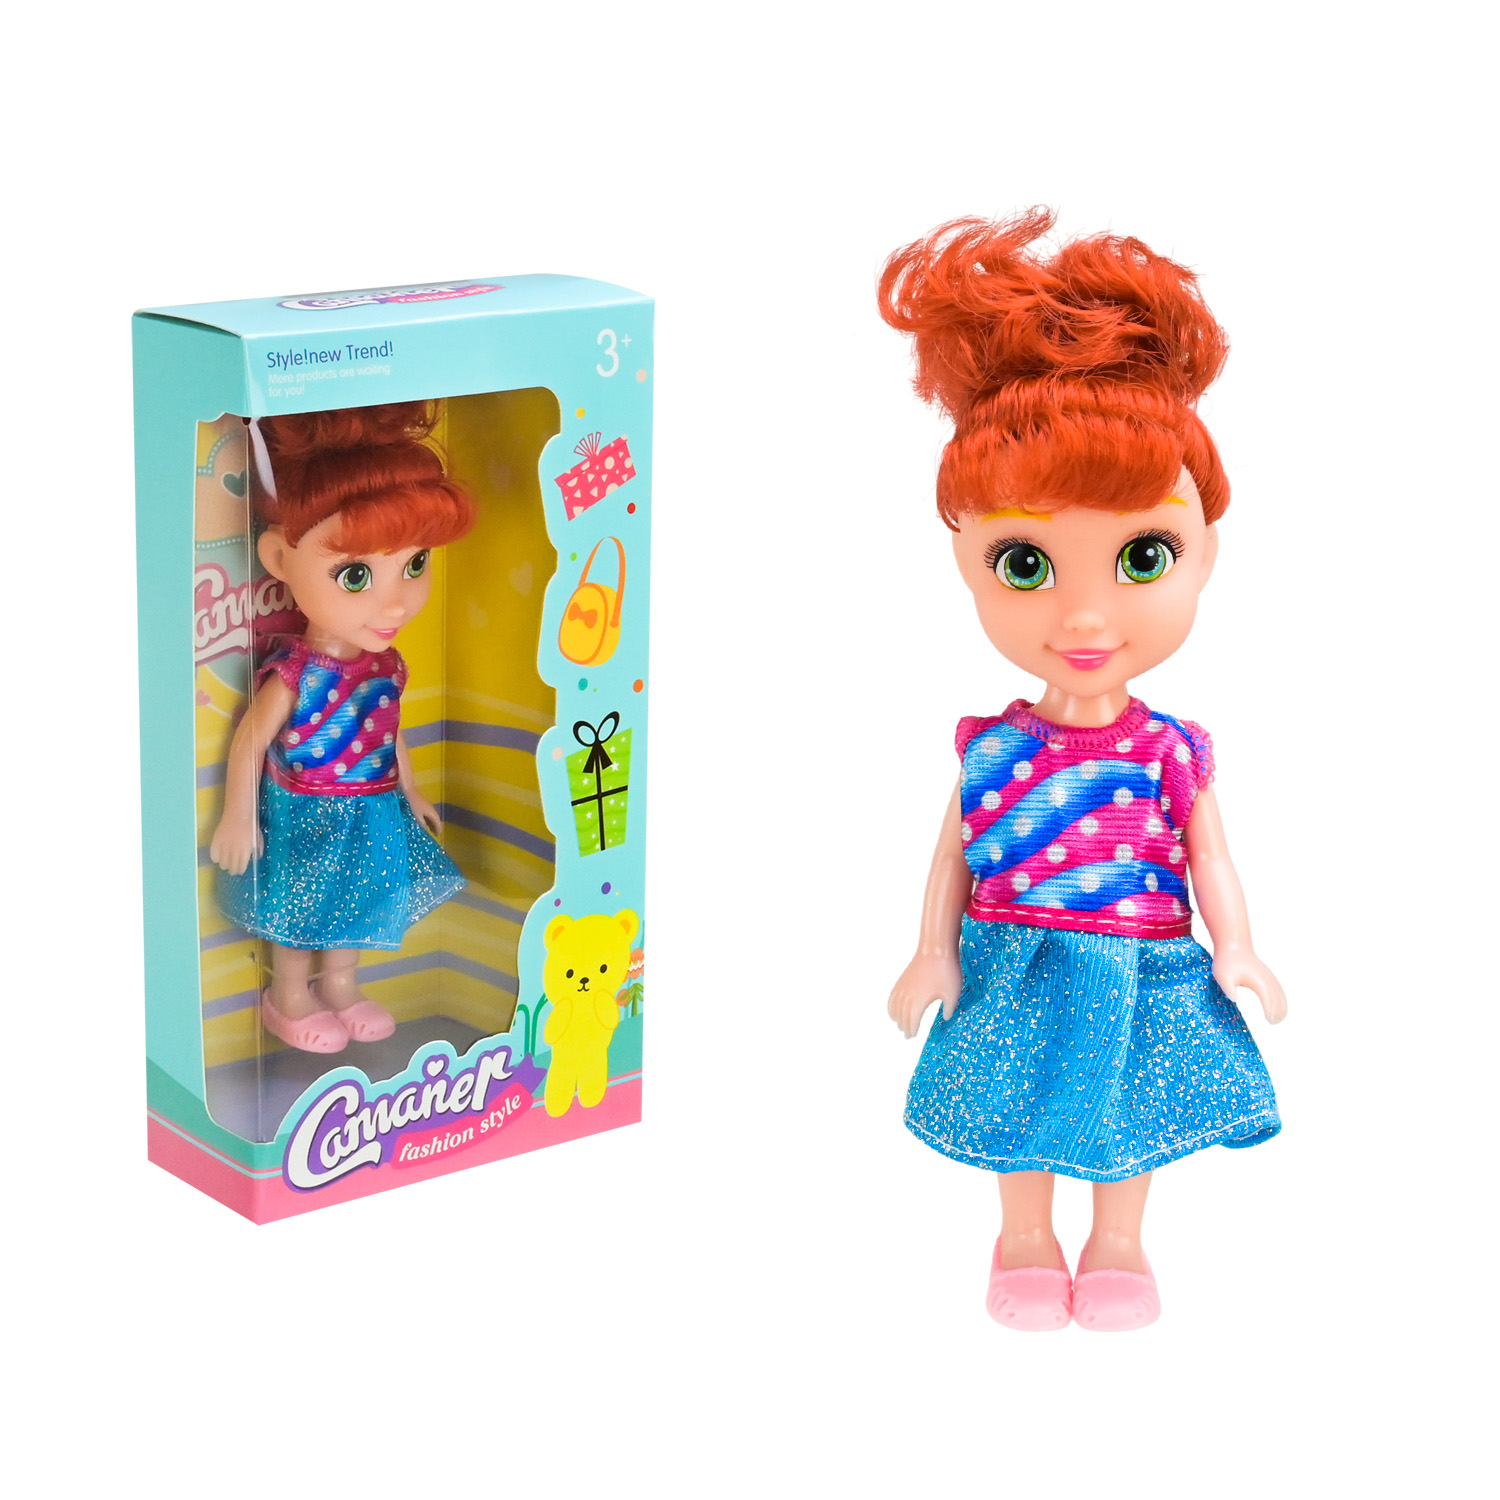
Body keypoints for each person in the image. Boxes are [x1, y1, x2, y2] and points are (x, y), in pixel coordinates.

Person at [880, 211, 1284, 1331]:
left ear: (1205, 551)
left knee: (1125, 1109)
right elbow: (953, 855)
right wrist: (930, 950)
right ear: (967, 558)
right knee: (1013, 1104)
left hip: (1139, 957)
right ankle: (1021, 1237)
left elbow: (1210, 858)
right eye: (1026, 563)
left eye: (1143, 555)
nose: (1087, 616)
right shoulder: (993, 748)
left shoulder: (1170, 750)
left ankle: (1117, 1242)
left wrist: (1238, 946)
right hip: (1013, 954)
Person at [210, 402, 476, 1054]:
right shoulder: (297, 673)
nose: (395, 600)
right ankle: (288, 994)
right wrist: (238, 817)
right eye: (356, 575)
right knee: (301, 906)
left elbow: (389, 729)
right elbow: (251, 741)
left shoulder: (386, 665)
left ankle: (342, 984)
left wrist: (411, 788)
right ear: (279, 556)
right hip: (305, 811)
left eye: (415, 564)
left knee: (361, 899)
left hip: (373, 808)